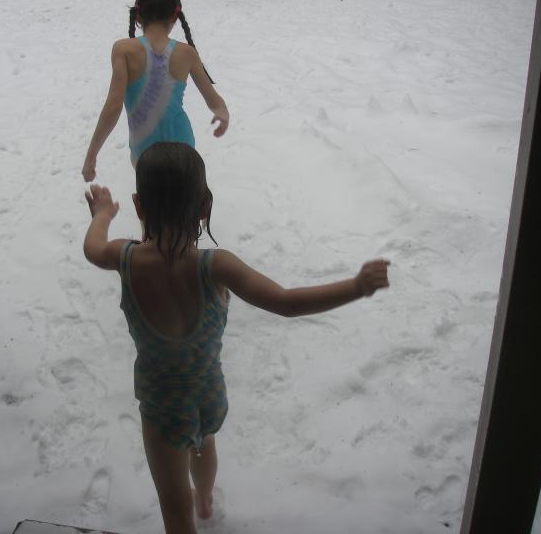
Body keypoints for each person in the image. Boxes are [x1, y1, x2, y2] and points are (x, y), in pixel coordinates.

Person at [83, 142, 390, 533]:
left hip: (163, 407)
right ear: (204, 207)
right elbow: (286, 302)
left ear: (139, 206)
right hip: (208, 395)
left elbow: (92, 247)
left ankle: (192, 509)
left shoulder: (124, 258)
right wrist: (355, 287)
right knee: (204, 443)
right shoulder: (216, 266)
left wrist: (103, 214)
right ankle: (205, 499)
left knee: (175, 511)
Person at [82, 0, 229, 182]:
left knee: (153, 200)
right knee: (186, 200)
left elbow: (114, 105)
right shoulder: (187, 53)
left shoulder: (123, 50)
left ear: (138, 16)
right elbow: (213, 100)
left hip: (145, 153)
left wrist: (91, 156)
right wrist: (223, 116)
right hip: (183, 147)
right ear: (174, 16)